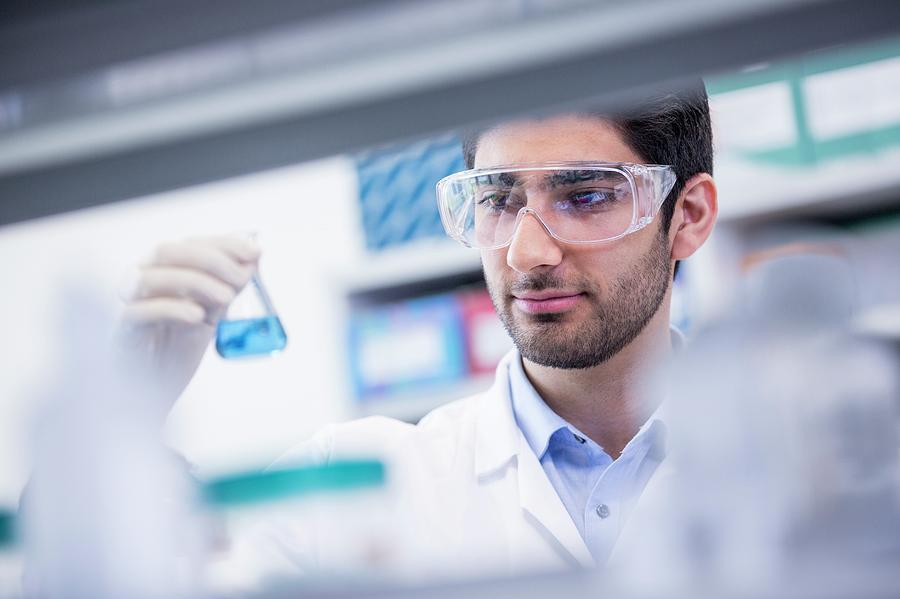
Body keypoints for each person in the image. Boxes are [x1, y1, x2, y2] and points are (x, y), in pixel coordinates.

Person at [121, 80, 718, 580]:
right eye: (499, 200)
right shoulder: (355, 488)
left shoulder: (800, 464)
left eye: (585, 196)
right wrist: (123, 408)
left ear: (687, 216)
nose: (525, 253)